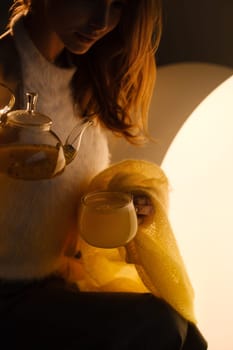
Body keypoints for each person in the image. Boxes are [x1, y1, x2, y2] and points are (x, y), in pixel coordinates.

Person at [0, 0, 207, 348]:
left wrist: (126, 204)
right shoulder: (5, 76)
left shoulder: (84, 80)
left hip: (58, 283)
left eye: (118, 6)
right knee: (158, 326)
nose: (102, 21)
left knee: (186, 332)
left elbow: (57, 202)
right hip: (8, 295)